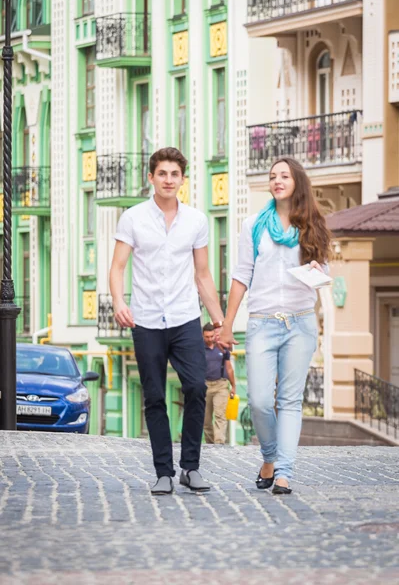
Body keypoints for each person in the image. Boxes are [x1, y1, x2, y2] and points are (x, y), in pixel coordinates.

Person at [109, 147, 225, 496]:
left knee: (196, 388)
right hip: (146, 321)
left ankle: (191, 467)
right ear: (152, 177)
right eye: (162, 174)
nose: (169, 180)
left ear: (182, 180)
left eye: (175, 174)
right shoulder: (133, 218)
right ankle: (164, 472)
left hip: (185, 318)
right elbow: (117, 267)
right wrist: (118, 301)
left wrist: (219, 321)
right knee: (155, 396)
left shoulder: (197, 221)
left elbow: (203, 275)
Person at [218, 157, 331, 495]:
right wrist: (227, 325)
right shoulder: (254, 224)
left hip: (300, 322)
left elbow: (325, 276)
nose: (277, 180)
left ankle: (283, 472)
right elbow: (241, 275)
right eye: (272, 176)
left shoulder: (313, 224)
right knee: (260, 401)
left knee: (291, 401)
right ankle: (269, 457)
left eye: (284, 175)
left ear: (297, 181)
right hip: (262, 323)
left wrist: (316, 270)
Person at [203, 323, 236, 444]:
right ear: (203, 336)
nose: (209, 339)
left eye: (211, 336)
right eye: (207, 337)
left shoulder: (222, 348)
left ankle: (219, 443)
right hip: (205, 386)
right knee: (206, 420)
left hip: (220, 385)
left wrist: (233, 386)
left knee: (220, 416)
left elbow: (229, 368)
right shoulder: (199, 349)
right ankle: (210, 444)